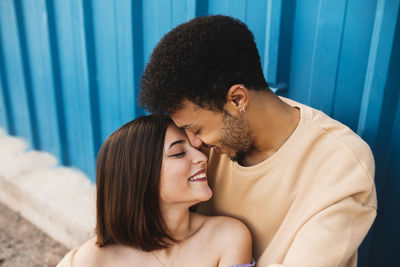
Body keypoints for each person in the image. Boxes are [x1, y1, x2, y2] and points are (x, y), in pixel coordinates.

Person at [139, 15, 377, 267]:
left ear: (238, 99)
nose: (193, 144)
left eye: (195, 129)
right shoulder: (201, 149)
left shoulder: (342, 164)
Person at [57, 115, 255, 267]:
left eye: (197, 149)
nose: (201, 157)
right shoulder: (94, 259)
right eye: (178, 153)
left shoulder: (228, 236)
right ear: (139, 176)